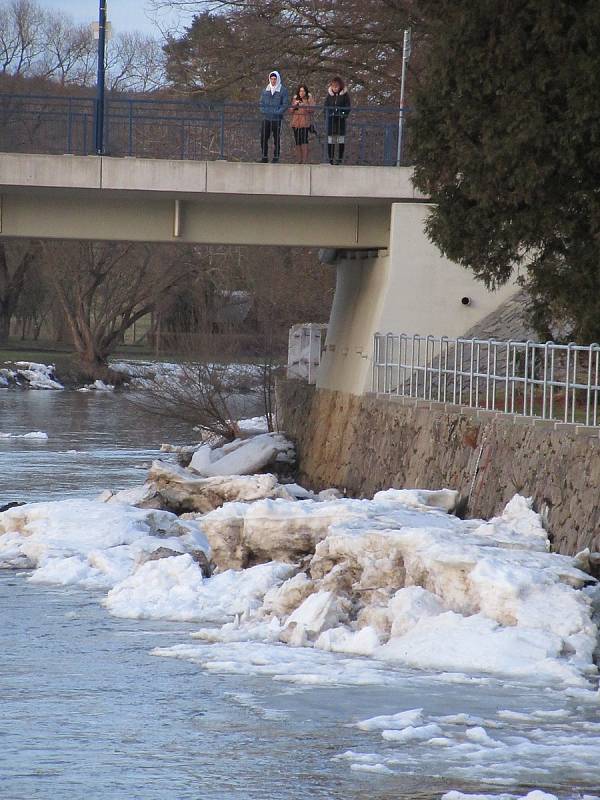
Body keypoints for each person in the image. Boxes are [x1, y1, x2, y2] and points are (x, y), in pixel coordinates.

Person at [259, 70, 289, 163]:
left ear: (277, 79)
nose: (273, 81)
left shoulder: (282, 90)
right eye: (271, 79)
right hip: (266, 118)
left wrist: (277, 112)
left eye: (275, 79)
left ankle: (276, 156)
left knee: (276, 138)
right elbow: (261, 103)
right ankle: (264, 156)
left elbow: (285, 104)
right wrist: (264, 111)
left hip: (276, 118)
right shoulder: (265, 90)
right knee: (264, 137)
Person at [324, 76, 351, 164]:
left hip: (340, 120)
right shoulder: (329, 96)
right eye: (333, 86)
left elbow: (348, 107)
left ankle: (339, 159)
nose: (335, 88)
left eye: (336, 86)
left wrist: (343, 114)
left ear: (340, 86)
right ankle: (330, 159)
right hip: (331, 120)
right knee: (330, 139)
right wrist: (327, 115)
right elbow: (326, 107)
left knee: (340, 139)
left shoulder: (345, 95)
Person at [289, 84, 315, 164]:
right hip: (296, 123)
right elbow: (290, 110)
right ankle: (299, 159)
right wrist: (295, 105)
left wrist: (304, 105)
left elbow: (312, 109)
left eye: (303, 91)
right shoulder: (295, 98)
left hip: (305, 123)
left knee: (304, 140)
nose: (302, 92)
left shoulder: (309, 98)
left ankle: (304, 160)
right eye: (300, 91)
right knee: (297, 141)